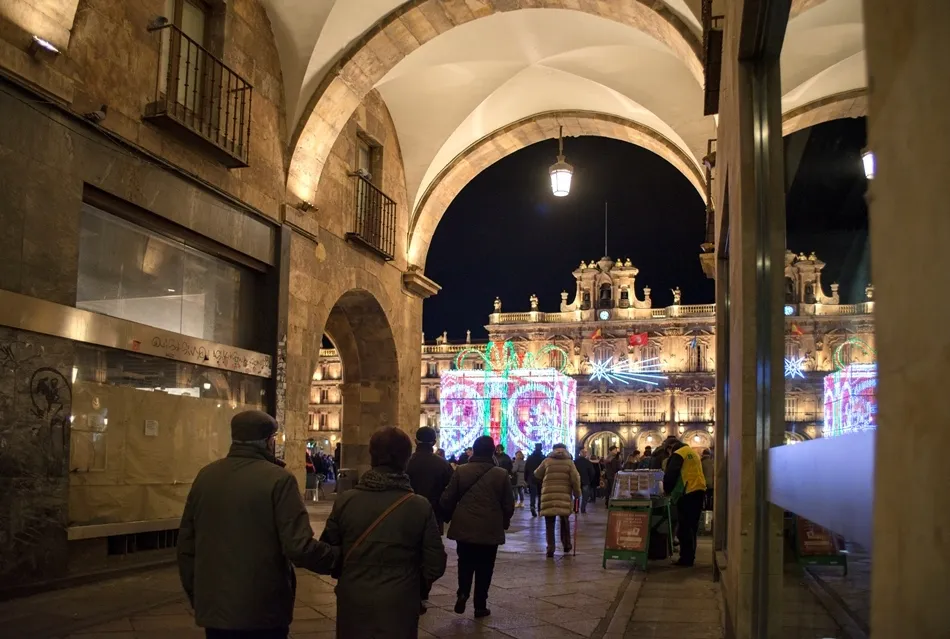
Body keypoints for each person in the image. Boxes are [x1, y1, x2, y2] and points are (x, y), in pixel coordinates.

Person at [178, 411, 338, 639]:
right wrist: (336, 559)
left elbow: (186, 543)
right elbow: (299, 546)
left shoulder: (206, 476)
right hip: (262, 607)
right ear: (268, 441)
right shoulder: (279, 480)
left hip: (215, 608)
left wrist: (198, 594)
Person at [321, 427, 447, 638]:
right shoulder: (419, 506)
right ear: (405, 460)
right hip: (400, 600)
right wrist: (417, 586)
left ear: (372, 457)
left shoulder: (347, 500)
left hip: (354, 597)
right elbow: (436, 563)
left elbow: (328, 550)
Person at [440, 436, 514, 618]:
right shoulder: (501, 474)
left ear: (474, 450)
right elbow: (508, 504)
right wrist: (504, 520)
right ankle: (480, 605)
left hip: (465, 525)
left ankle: (463, 592)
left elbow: (447, 498)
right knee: (486, 566)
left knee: (464, 562)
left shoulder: (461, 471)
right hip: (490, 527)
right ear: (492, 451)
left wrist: (449, 516)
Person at [663, 438, 707, 567]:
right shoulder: (693, 453)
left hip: (687, 492)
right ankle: (690, 556)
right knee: (692, 527)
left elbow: (671, 474)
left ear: (670, 447)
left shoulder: (678, 454)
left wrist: (666, 489)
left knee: (684, 527)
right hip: (699, 490)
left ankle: (685, 559)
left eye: (668, 451)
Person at [534, 443, 582, 557]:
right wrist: (577, 493)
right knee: (565, 521)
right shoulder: (569, 462)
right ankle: (566, 545)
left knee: (549, 523)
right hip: (564, 495)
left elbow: (537, 473)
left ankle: (550, 548)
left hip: (548, 495)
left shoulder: (547, 461)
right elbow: (575, 479)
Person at [407, 426, 454, 534]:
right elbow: (451, 491)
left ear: (415, 441)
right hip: (434, 513)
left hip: (409, 512)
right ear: (434, 442)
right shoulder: (443, 464)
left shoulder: (406, 462)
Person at [574, 448, 598, 513]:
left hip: (577, 481)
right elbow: (592, 472)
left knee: (577, 496)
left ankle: (576, 509)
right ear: (585, 454)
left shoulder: (575, 462)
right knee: (585, 496)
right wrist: (589, 479)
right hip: (586, 481)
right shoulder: (588, 462)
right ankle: (583, 509)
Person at [524, 443, 545, 517]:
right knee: (540, 494)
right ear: (541, 448)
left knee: (532, 494)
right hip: (541, 478)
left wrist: (526, 478)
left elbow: (526, 468)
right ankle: (539, 509)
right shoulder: (543, 458)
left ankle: (532, 506)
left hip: (531, 478)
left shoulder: (530, 457)